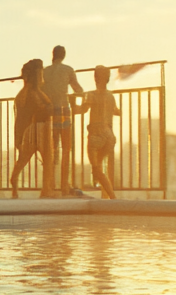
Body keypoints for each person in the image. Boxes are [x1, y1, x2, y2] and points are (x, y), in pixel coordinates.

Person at [9, 58, 55, 198]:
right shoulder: (27, 95)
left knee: (45, 160)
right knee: (26, 160)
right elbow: (21, 118)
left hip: (42, 128)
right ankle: (17, 185)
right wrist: (19, 138)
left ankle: (46, 190)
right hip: (34, 130)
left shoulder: (35, 93)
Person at [73, 65, 121, 199]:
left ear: (95, 78)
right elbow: (117, 111)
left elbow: (82, 110)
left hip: (96, 135)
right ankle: (102, 190)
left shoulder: (91, 95)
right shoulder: (110, 96)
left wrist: (71, 107)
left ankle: (112, 196)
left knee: (97, 168)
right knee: (99, 165)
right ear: (107, 79)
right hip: (109, 136)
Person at [44, 45, 84, 196]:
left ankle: (49, 184)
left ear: (53, 55)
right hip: (63, 111)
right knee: (66, 148)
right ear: (64, 55)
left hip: (48, 113)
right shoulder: (68, 70)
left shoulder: (45, 71)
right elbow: (78, 89)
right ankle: (64, 185)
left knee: (51, 149)